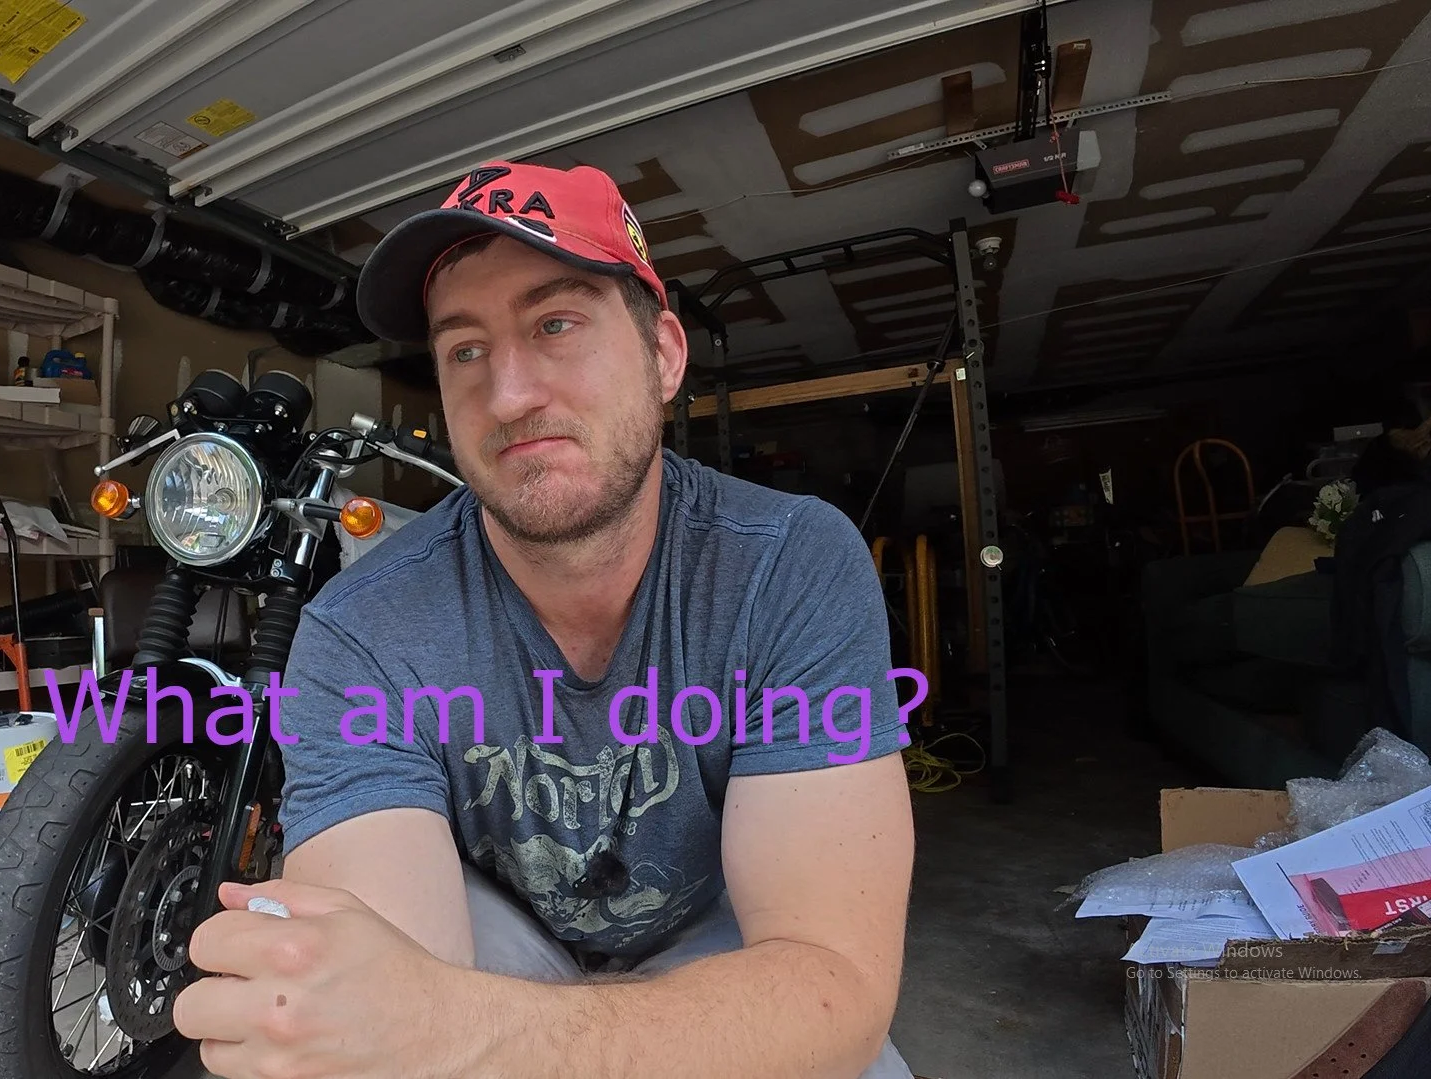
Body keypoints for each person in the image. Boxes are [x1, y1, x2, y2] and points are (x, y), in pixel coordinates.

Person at [171, 161, 918, 1079]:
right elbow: (374, 998)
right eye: (465, 350)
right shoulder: (361, 631)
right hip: (497, 947)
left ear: (664, 355)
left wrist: (461, 1030)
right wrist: (381, 1018)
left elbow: (832, 983)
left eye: (555, 323)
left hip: (718, 948)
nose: (510, 392)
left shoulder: (786, 563)